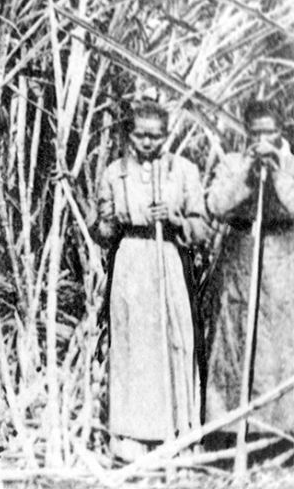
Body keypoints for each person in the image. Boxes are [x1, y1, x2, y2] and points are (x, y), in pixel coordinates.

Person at [92, 102, 208, 461]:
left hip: (169, 260)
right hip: (131, 261)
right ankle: (131, 436)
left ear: (166, 135)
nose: (148, 142)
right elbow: (101, 228)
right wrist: (109, 225)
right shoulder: (115, 173)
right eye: (141, 135)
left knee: (173, 339)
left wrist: (175, 219)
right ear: (129, 134)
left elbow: (201, 227)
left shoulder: (183, 170)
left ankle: (175, 430)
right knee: (133, 343)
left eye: (156, 136)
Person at [203, 100, 294, 434]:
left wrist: (278, 177)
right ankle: (230, 427)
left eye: (268, 132)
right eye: (255, 133)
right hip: (243, 254)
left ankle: (279, 429)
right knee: (237, 337)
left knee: (279, 343)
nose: (261, 140)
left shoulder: (292, 165)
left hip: (283, 257)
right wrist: (247, 177)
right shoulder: (232, 163)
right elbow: (215, 204)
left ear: (281, 130)